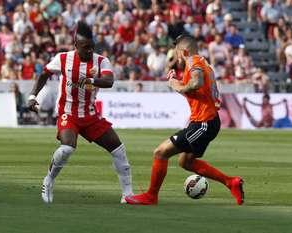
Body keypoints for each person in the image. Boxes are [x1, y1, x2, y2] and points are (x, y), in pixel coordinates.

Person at [125, 35, 244, 205]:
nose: (176, 55)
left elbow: (196, 82)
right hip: (207, 121)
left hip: (204, 123)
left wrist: (177, 86)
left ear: (184, 51)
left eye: (177, 51)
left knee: (161, 152)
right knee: (186, 161)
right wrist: (176, 81)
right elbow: (196, 87)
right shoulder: (202, 62)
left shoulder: (193, 61)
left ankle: (151, 196)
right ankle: (231, 182)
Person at [27, 22, 133, 204]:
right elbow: (44, 74)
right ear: (76, 44)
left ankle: (128, 194)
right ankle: (48, 181)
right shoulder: (62, 59)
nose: (90, 50)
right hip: (68, 113)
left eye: (92, 47)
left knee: (118, 149)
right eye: (86, 47)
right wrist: (32, 96)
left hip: (90, 115)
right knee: (68, 147)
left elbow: (109, 81)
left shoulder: (101, 61)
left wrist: (91, 79)